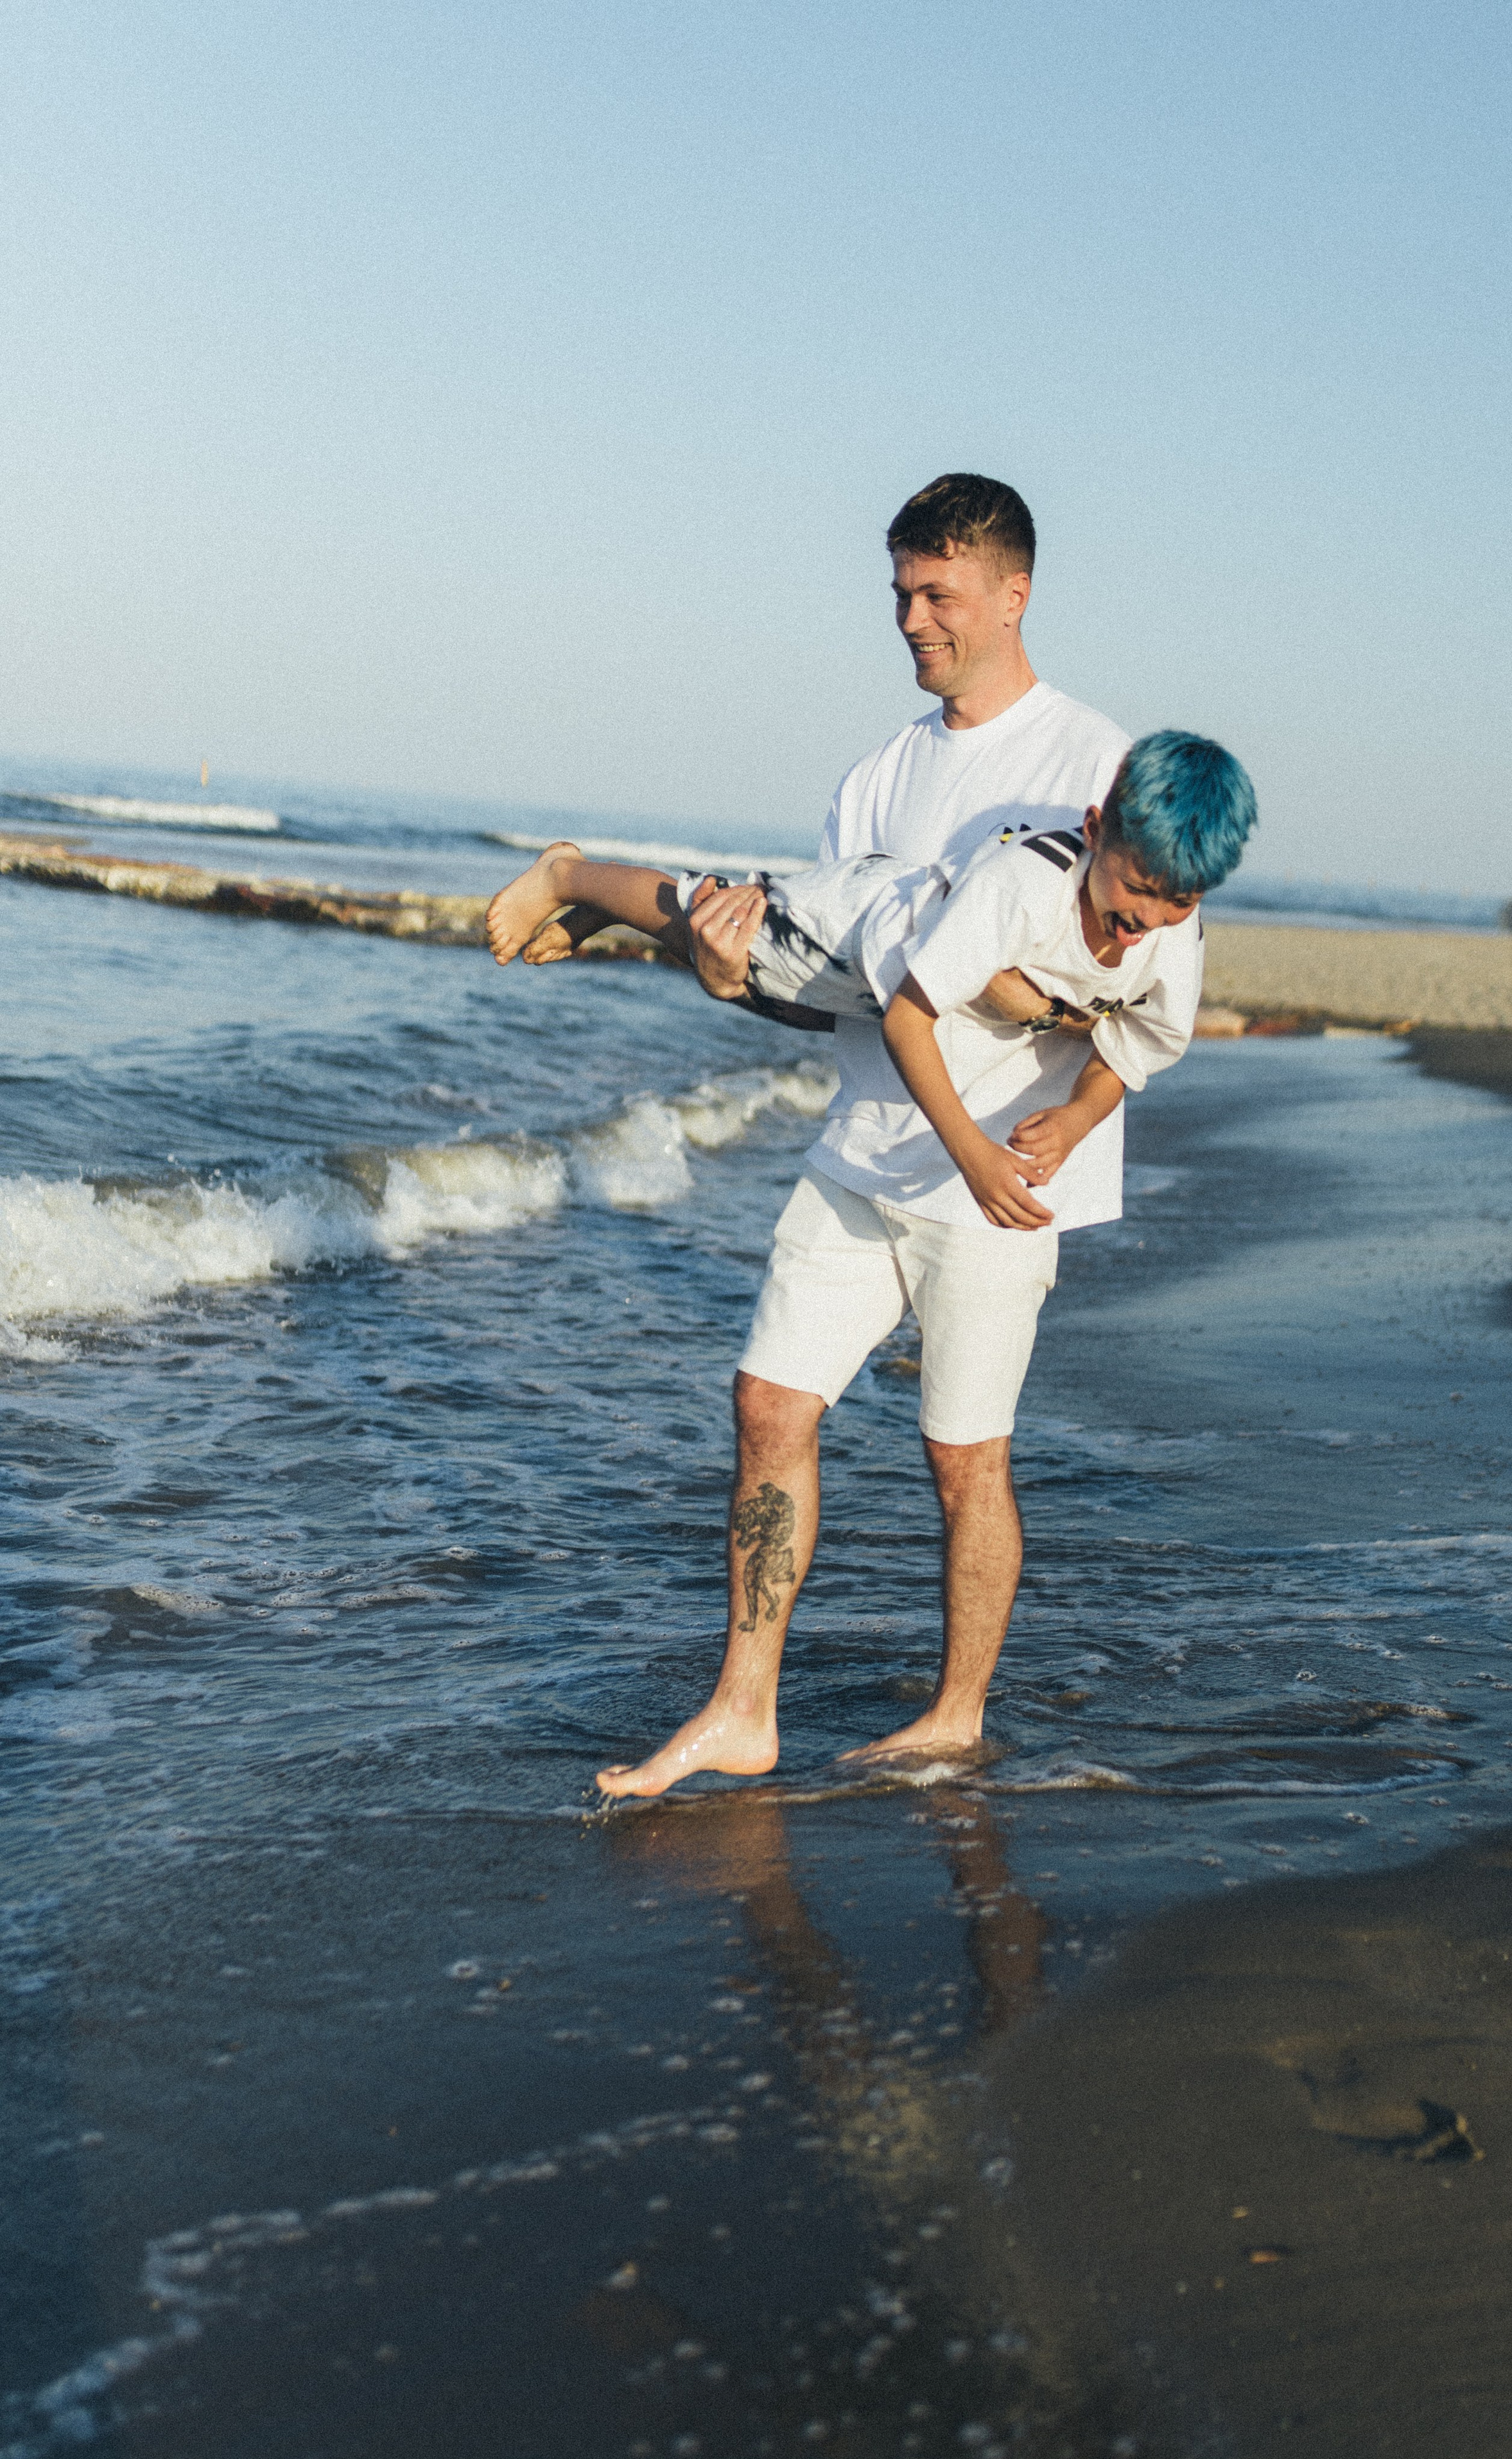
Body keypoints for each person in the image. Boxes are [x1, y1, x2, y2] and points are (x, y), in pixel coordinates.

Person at [507, 473, 1247, 1799]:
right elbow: (831, 1002)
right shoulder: (876, 781)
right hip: (867, 1142)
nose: (911, 619)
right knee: (766, 1402)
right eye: (899, 592)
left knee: (962, 1457)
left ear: (1011, 594)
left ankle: (956, 1711)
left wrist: (1045, 1070)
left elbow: (1138, 977)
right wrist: (723, 980)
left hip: (991, 1184)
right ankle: (743, 1707)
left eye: (938, 594)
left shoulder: (1099, 765)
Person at [483, 731, 1255, 1231]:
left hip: (888, 975)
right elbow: (907, 1023)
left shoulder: (1173, 936)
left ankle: (600, 906)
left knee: (717, 953)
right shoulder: (1025, 888)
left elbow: (1132, 1048)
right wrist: (972, 1155)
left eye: (1178, 900)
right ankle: (568, 872)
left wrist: (1079, 1118)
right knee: (714, 924)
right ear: (1094, 834)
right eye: (1136, 886)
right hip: (862, 931)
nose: (1147, 917)